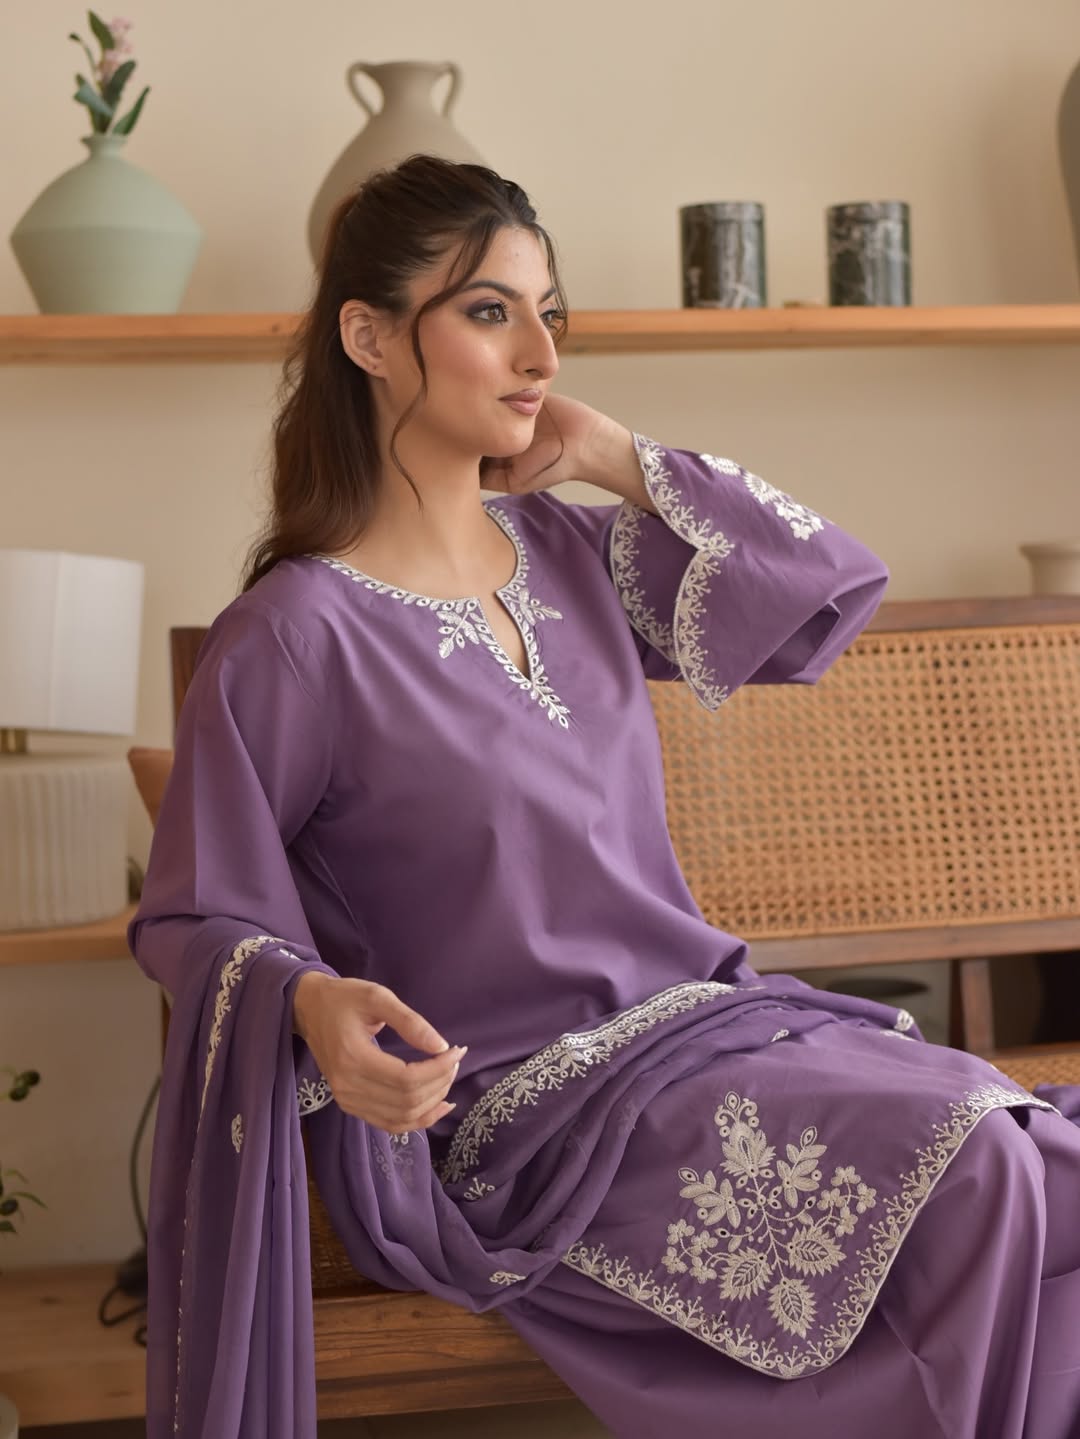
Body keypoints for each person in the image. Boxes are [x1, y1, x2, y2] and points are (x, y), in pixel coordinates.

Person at [130, 155, 1080, 1439]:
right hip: (535, 1116)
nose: (539, 354)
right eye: (488, 312)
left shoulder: (573, 555)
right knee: (980, 1169)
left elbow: (828, 591)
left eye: (550, 313)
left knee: (1048, 1173)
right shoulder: (295, 636)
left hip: (715, 1034)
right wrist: (313, 1001)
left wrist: (618, 456)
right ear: (369, 336)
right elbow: (195, 915)